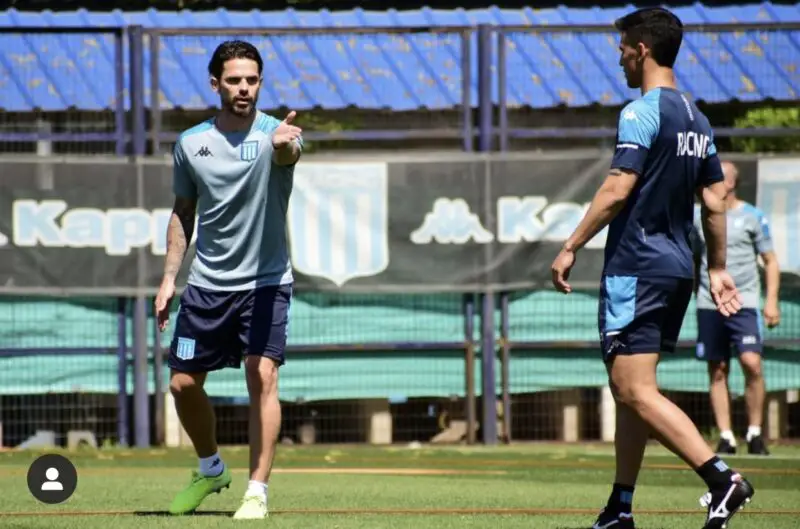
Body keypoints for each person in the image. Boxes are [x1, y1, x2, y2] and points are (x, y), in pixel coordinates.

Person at [550, 7, 754, 529]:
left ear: (641, 48)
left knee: (635, 390)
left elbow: (617, 188)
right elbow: (713, 201)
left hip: (636, 266)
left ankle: (722, 478)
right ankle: (620, 508)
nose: (618, 57)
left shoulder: (641, 111)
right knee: (630, 391)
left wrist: (571, 243)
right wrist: (718, 268)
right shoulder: (698, 117)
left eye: (621, 47)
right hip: (677, 268)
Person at [154, 40, 303, 520]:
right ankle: (211, 467)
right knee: (181, 385)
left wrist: (282, 147)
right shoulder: (190, 143)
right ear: (216, 83)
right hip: (207, 286)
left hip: (266, 283)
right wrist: (167, 279)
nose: (244, 88)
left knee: (262, 375)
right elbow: (183, 212)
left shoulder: (278, 134)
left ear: (260, 82)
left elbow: (288, 156)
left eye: (252, 80)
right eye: (235, 80)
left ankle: (256, 490)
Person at [692, 159, 780, 456]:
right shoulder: (696, 216)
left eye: (716, 177)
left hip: (744, 303)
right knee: (717, 369)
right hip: (708, 301)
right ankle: (726, 436)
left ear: (729, 183)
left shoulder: (753, 217)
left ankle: (755, 433)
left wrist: (770, 301)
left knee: (751, 363)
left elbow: (771, 262)